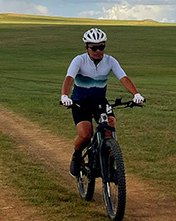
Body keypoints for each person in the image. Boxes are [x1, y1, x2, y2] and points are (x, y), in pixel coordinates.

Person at [61, 28, 144, 177]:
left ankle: (109, 165)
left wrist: (136, 94)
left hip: (100, 102)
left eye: (102, 47)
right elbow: (69, 78)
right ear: (87, 47)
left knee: (110, 129)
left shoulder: (110, 61)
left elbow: (123, 78)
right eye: (94, 47)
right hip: (80, 103)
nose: (98, 51)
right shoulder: (79, 60)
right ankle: (77, 157)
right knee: (86, 134)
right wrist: (65, 96)